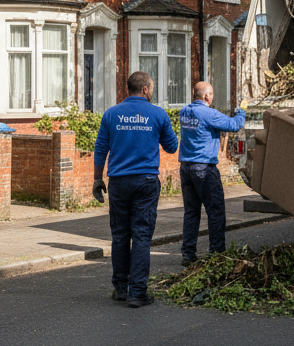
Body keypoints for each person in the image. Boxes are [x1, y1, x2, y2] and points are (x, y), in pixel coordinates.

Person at [93, 71, 178, 308]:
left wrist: (96, 180)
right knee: (141, 235)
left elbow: (101, 148)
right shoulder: (158, 113)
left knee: (120, 235)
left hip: (118, 182)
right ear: (145, 90)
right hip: (146, 182)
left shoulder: (111, 114)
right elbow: (172, 147)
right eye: (151, 88)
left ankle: (121, 288)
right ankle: (137, 292)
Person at [178, 81, 245, 266]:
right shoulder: (208, 113)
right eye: (212, 94)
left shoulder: (184, 111)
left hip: (186, 167)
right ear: (207, 96)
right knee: (215, 211)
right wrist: (241, 111)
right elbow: (233, 125)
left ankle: (188, 253)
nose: (212, 97)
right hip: (204, 169)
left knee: (191, 212)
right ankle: (216, 253)